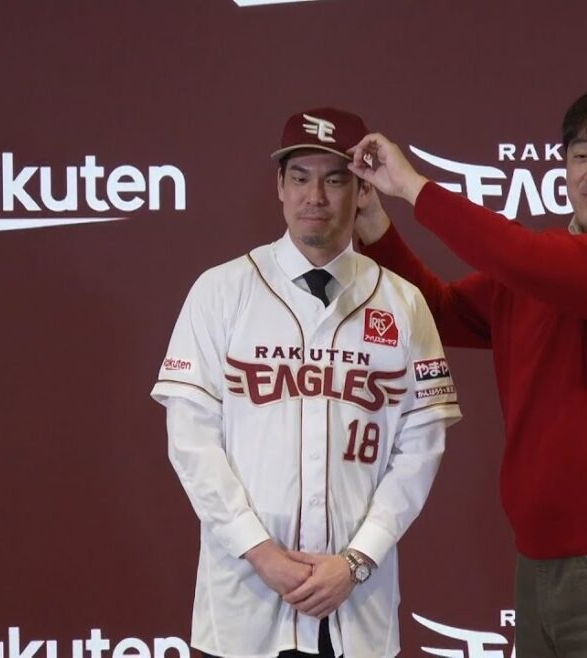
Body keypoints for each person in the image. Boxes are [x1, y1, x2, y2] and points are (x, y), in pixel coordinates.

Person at [347, 86, 587, 658]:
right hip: (540, 561)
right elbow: (437, 310)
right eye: (579, 156)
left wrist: (413, 187)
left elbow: (524, 258)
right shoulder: (544, 269)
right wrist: (374, 225)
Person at [151, 107, 462, 658]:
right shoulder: (221, 291)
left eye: (335, 180)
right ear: (280, 186)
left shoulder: (403, 302)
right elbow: (191, 440)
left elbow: (421, 448)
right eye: (299, 178)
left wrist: (358, 560)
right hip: (246, 600)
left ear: (362, 190)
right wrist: (258, 549)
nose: (314, 196)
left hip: (357, 604)